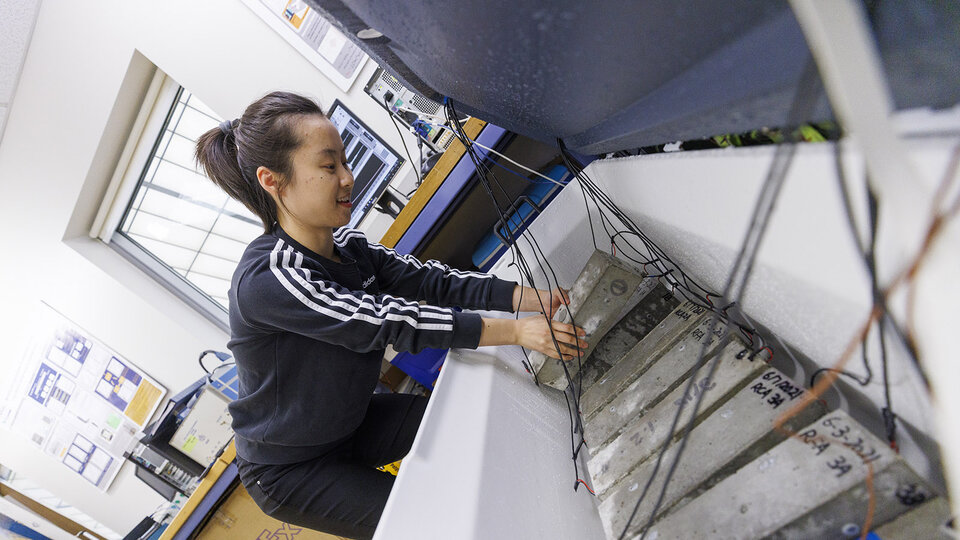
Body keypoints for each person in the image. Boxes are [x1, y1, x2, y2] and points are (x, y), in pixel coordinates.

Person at [194, 91, 587, 539]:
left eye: (345, 161)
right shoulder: (269, 279)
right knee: (431, 525)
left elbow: (431, 282)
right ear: (273, 181)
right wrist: (517, 332)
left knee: (466, 427)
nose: (348, 178)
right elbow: (385, 321)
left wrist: (528, 297)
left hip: (352, 420)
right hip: (293, 467)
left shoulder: (349, 249)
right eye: (328, 167)